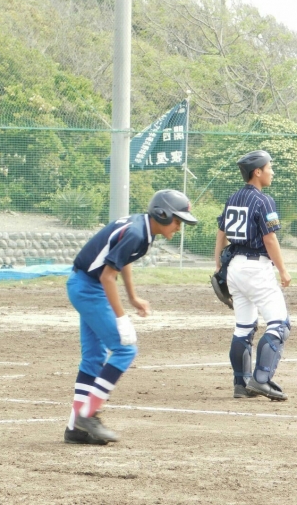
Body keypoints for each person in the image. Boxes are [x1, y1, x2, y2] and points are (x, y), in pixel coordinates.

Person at [63, 189, 197, 445]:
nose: (179, 227)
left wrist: (133, 297)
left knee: (94, 357)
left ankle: (75, 429)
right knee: (125, 349)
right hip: (89, 288)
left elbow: (122, 261)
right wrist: (121, 318)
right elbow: (107, 276)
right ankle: (88, 414)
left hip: (87, 286)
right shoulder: (137, 232)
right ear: (162, 214)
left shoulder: (143, 229)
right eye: (178, 221)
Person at [214, 150, 291, 401]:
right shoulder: (263, 200)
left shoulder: (233, 198)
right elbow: (270, 239)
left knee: (244, 327)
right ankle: (261, 379)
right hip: (257, 268)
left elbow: (221, 232)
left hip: (234, 268)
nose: (272, 172)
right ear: (257, 172)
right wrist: (283, 270)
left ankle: (241, 383)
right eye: (269, 167)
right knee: (279, 324)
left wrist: (218, 264)